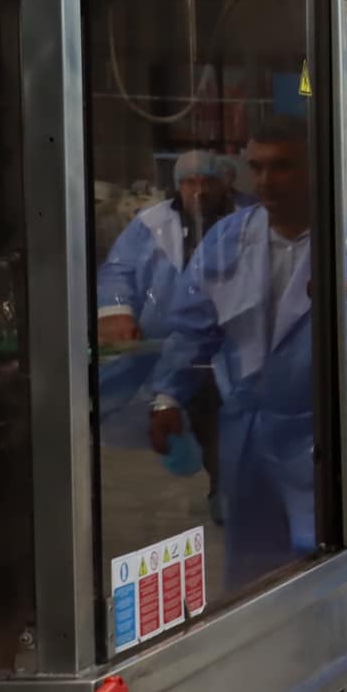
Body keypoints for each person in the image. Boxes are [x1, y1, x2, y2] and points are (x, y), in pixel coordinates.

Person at [148, 122, 318, 588]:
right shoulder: (229, 239)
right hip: (246, 432)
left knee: (318, 563)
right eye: (256, 168)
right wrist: (167, 398)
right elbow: (192, 328)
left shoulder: (345, 243)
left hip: (317, 434)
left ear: (315, 168)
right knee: (251, 570)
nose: (265, 181)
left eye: (282, 167)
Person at [96, 151, 246, 473]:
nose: (199, 191)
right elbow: (119, 269)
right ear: (178, 186)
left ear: (225, 184)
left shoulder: (248, 222)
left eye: (208, 182)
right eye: (190, 182)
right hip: (161, 345)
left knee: (226, 440)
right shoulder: (151, 223)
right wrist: (115, 310)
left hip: (228, 349)